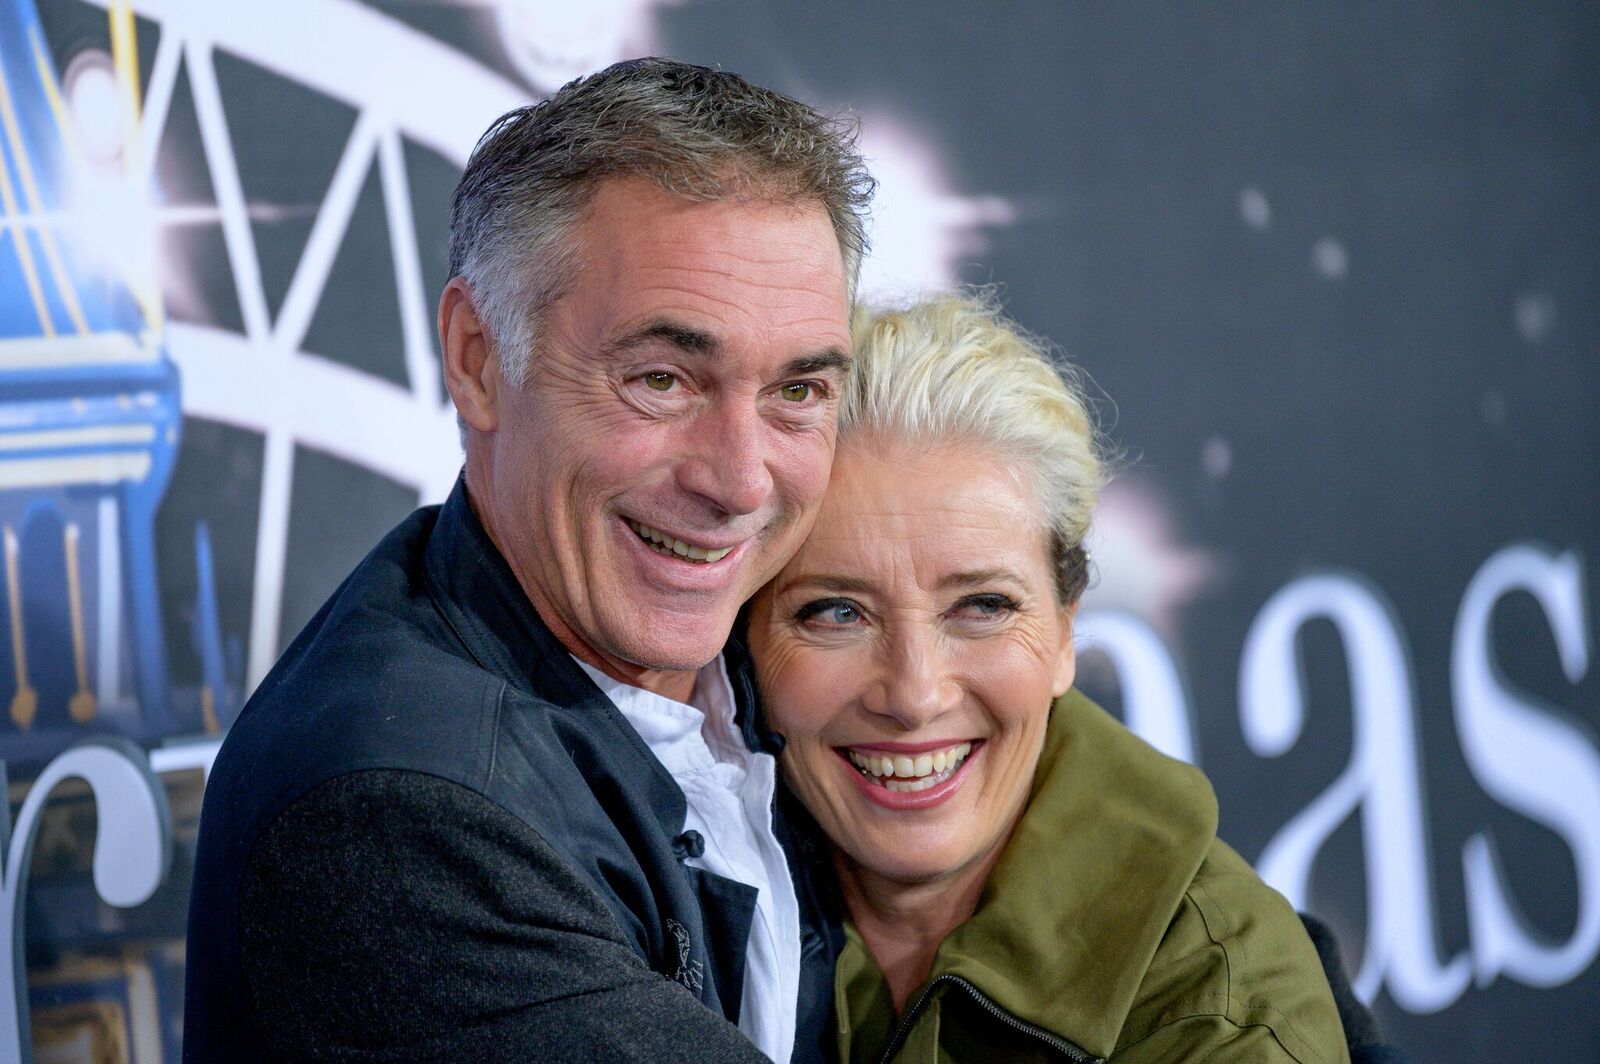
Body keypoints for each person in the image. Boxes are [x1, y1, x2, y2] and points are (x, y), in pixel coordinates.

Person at [184, 59, 872, 1063]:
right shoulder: (392, 819)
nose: (739, 477)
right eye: (663, 378)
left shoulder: (780, 661)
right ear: (476, 358)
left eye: (797, 392)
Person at [745, 293, 1355, 1062]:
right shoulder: (670, 888)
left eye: (982, 606)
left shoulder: (1217, 1016)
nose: (914, 694)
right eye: (836, 613)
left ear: (1066, 629)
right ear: (744, 632)